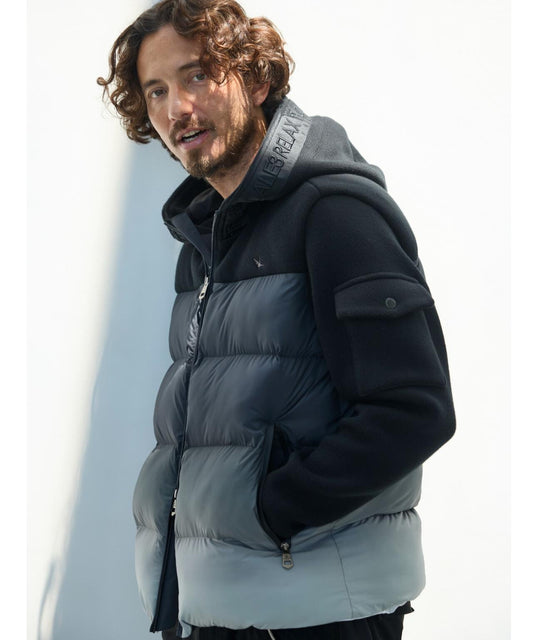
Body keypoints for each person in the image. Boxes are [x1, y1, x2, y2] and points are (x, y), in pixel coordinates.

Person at [98, 1, 456, 638]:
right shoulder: (204, 240)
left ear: (257, 80)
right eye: (157, 90)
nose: (177, 107)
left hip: (315, 610)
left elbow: (412, 410)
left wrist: (267, 512)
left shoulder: (336, 215)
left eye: (198, 75)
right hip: (222, 604)